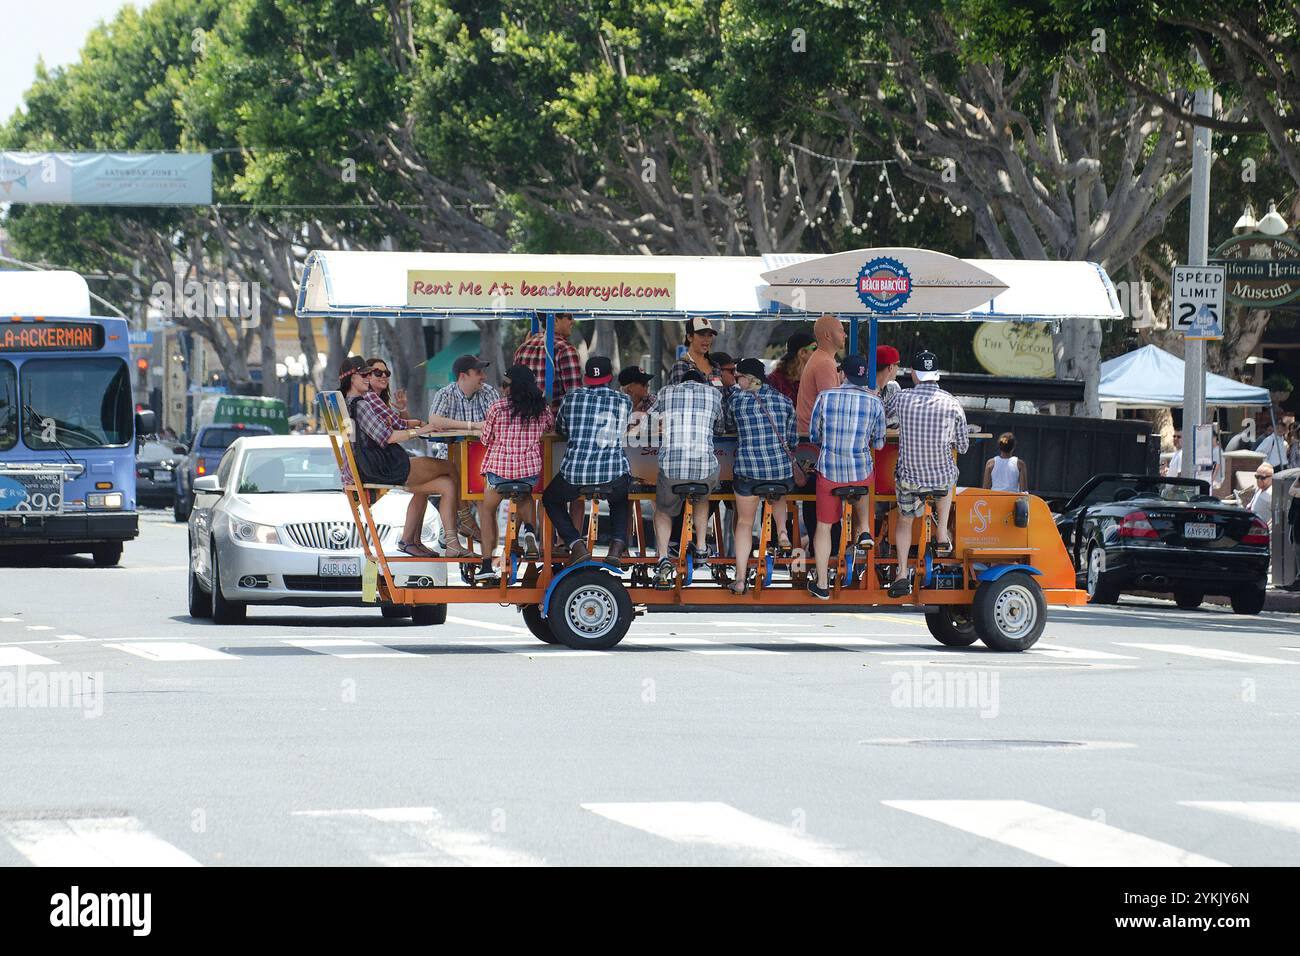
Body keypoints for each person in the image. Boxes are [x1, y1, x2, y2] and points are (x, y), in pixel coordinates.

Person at [339, 356, 478, 559]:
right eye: (366, 374)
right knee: (449, 467)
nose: (369, 378)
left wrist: (412, 422)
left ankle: (452, 543)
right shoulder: (360, 404)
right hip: (383, 468)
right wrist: (426, 428)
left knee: (447, 484)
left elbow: (392, 427)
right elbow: (389, 436)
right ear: (352, 378)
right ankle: (465, 519)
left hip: (372, 467)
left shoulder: (348, 403)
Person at [882, 350, 969, 598]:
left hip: (909, 479)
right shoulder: (952, 403)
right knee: (949, 474)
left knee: (905, 520)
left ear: (913, 374)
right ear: (936, 374)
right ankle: (941, 532)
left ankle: (900, 573)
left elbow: (884, 414)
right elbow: (962, 446)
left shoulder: (902, 398)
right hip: (940, 479)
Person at [807, 354, 886, 600]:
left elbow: (813, 435)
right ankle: (864, 529)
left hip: (830, 472)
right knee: (863, 478)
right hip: (860, 471)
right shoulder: (875, 402)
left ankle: (821, 583)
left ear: (842, 374)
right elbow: (880, 443)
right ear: (862, 377)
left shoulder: (825, 397)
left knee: (823, 526)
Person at [542, 356, 633, 566]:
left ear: (585, 378)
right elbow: (624, 429)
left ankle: (576, 543)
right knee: (620, 498)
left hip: (575, 474)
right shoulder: (624, 400)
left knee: (551, 498)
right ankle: (617, 545)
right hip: (613, 471)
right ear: (610, 378)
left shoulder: (571, 398)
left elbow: (562, 429)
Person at [724, 358, 798, 594]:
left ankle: (740, 578)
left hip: (748, 472)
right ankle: (783, 532)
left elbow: (727, 426)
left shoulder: (736, 401)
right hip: (780, 473)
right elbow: (793, 440)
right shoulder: (785, 401)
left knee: (745, 522)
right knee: (778, 487)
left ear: (749, 378)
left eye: (738, 378)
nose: (737, 382)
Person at [474, 365, 555, 580]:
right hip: (528, 471)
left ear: (514, 386)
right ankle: (528, 530)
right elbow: (550, 428)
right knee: (525, 495)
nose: (503, 389)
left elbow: (485, 439)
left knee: (487, 510)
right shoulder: (541, 408)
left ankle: (486, 564)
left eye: (505, 384)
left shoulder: (498, 408)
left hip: (499, 472)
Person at [652, 367, 725, 587]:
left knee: (663, 510)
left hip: (672, 469)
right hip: (704, 467)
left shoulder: (665, 392)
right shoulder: (714, 394)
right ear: (702, 383)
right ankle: (701, 547)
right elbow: (720, 428)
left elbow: (651, 421)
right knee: (702, 495)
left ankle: (663, 556)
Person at [427, 355, 501, 544]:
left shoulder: (488, 392)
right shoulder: (445, 393)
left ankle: (483, 546)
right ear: (463, 376)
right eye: (478, 372)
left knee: (483, 492)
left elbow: (498, 423)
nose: (483, 377)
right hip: (455, 459)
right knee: (453, 472)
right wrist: (473, 426)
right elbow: (434, 420)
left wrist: (466, 427)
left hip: (484, 459)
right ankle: (464, 525)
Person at [514, 312, 582, 405]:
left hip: (524, 417)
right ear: (555, 320)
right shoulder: (566, 350)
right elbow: (575, 397)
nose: (573, 321)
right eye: (569, 317)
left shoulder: (522, 348)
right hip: (553, 417)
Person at [796, 313, 848, 435]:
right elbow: (831, 407)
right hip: (815, 436)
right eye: (841, 331)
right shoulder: (825, 363)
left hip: (810, 432)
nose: (845, 335)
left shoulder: (821, 358)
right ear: (828, 335)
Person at [668, 316, 724, 388]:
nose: (706, 339)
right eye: (702, 335)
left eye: (710, 335)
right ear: (689, 337)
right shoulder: (681, 366)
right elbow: (678, 396)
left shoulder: (715, 367)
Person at [767, 331, 816, 404]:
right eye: (814, 348)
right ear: (802, 352)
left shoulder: (815, 377)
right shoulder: (774, 380)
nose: (818, 352)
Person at [875, 345, 902, 427]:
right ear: (890, 367)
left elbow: (899, 418)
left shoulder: (893, 387)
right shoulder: (864, 388)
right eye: (898, 364)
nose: (898, 368)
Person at [1248, 463, 1274, 530]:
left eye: (1263, 478)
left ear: (1272, 477)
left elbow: (1276, 516)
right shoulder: (1258, 489)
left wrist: (1267, 529)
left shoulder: (1272, 493)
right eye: (1257, 477)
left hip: (1263, 533)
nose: (1259, 480)